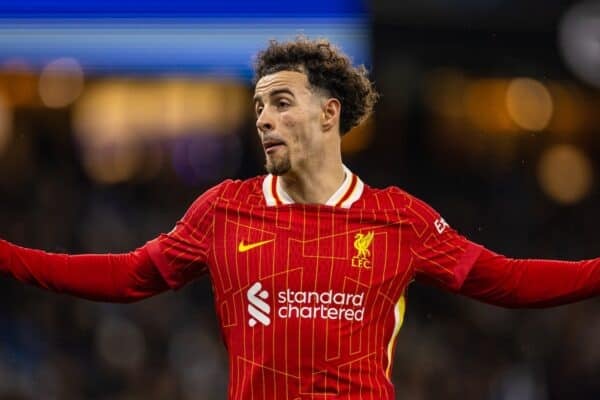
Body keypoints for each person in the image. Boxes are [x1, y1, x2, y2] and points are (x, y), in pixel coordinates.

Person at [0, 37, 599, 399]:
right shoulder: (224, 209)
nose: (263, 118)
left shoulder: (399, 219)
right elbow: (130, 275)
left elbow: (509, 280)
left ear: (327, 114)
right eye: (259, 105)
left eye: (282, 103)